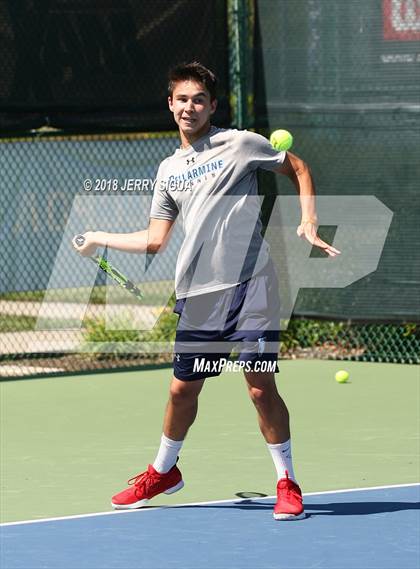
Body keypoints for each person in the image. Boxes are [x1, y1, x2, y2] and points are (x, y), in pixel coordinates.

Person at [73, 62, 340, 521]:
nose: (189, 107)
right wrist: (100, 237)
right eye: (182, 99)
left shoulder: (239, 143)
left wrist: (308, 219)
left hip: (251, 285)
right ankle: (164, 471)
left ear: (212, 105)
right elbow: (155, 239)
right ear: (171, 105)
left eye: (199, 99)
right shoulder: (168, 169)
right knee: (182, 390)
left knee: (259, 389)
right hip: (200, 294)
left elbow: (297, 166)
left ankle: (287, 481)